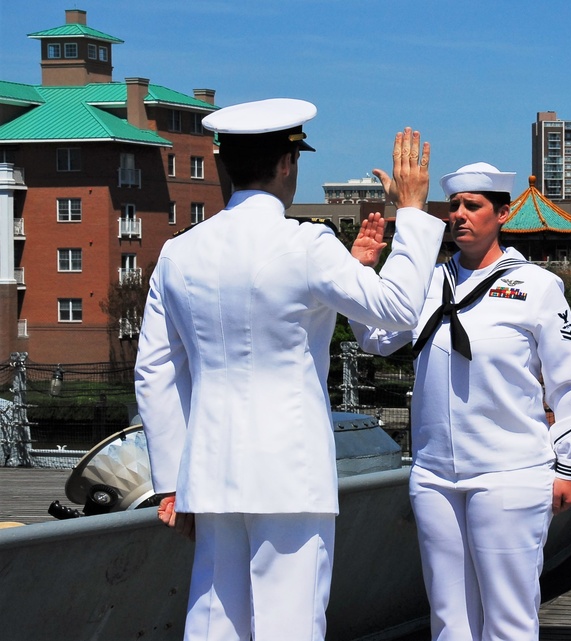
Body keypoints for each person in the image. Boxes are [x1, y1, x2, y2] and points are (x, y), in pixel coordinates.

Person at [134, 97, 444, 641]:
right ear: (287, 164)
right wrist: (413, 213)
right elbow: (398, 309)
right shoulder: (306, 243)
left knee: (213, 625)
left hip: (208, 472)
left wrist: (171, 482)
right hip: (290, 473)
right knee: (290, 625)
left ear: (226, 165)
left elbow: (156, 371)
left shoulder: (178, 253)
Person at [351, 162, 571, 641]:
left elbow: (570, 386)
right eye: (454, 207)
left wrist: (568, 466)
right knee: (448, 621)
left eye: (473, 206)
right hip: (435, 474)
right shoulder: (424, 284)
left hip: (510, 474)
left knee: (508, 620)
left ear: (502, 214)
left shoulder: (537, 287)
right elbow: (376, 340)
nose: (459, 215)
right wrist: (360, 273)